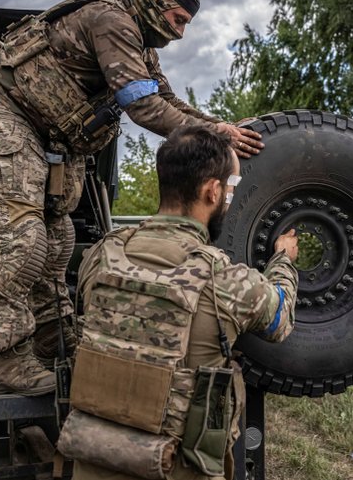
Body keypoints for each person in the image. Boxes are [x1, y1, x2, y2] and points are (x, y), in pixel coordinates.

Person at [0, 0, 264, 396]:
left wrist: (221, 126)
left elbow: (167, 100)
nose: (180, 33)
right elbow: (145, 109)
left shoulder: (141, 48)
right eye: (178, 19)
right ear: (155, 4)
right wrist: (217, 134)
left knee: (58, 239)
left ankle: (53, 344)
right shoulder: (112, 21)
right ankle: (6, 361)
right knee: (22, 240)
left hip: (46, 133)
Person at [60, 125, 299, 480]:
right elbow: (280, 319)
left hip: (91, 464)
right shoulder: (228, 281)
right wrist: (283, 261)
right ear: (212, 191)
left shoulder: (103, 254)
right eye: (230, 188)